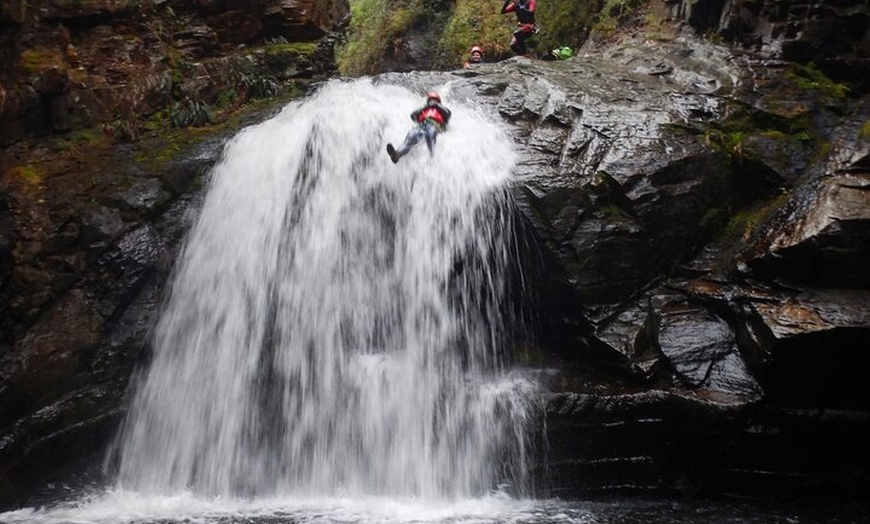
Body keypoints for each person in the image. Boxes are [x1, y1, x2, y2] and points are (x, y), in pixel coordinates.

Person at [386, 92, 452, 164]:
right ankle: (397, 154)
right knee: (411, 137)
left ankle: (432, 158)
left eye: (434, 100)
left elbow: (448, 114)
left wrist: (436, 105)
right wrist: (425, 107)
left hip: (434, 125)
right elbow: (412, 116)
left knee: (430, 134)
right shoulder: (424, 110)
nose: (432, 102)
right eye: (430, 100)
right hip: (421, 126)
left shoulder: (442, 110)